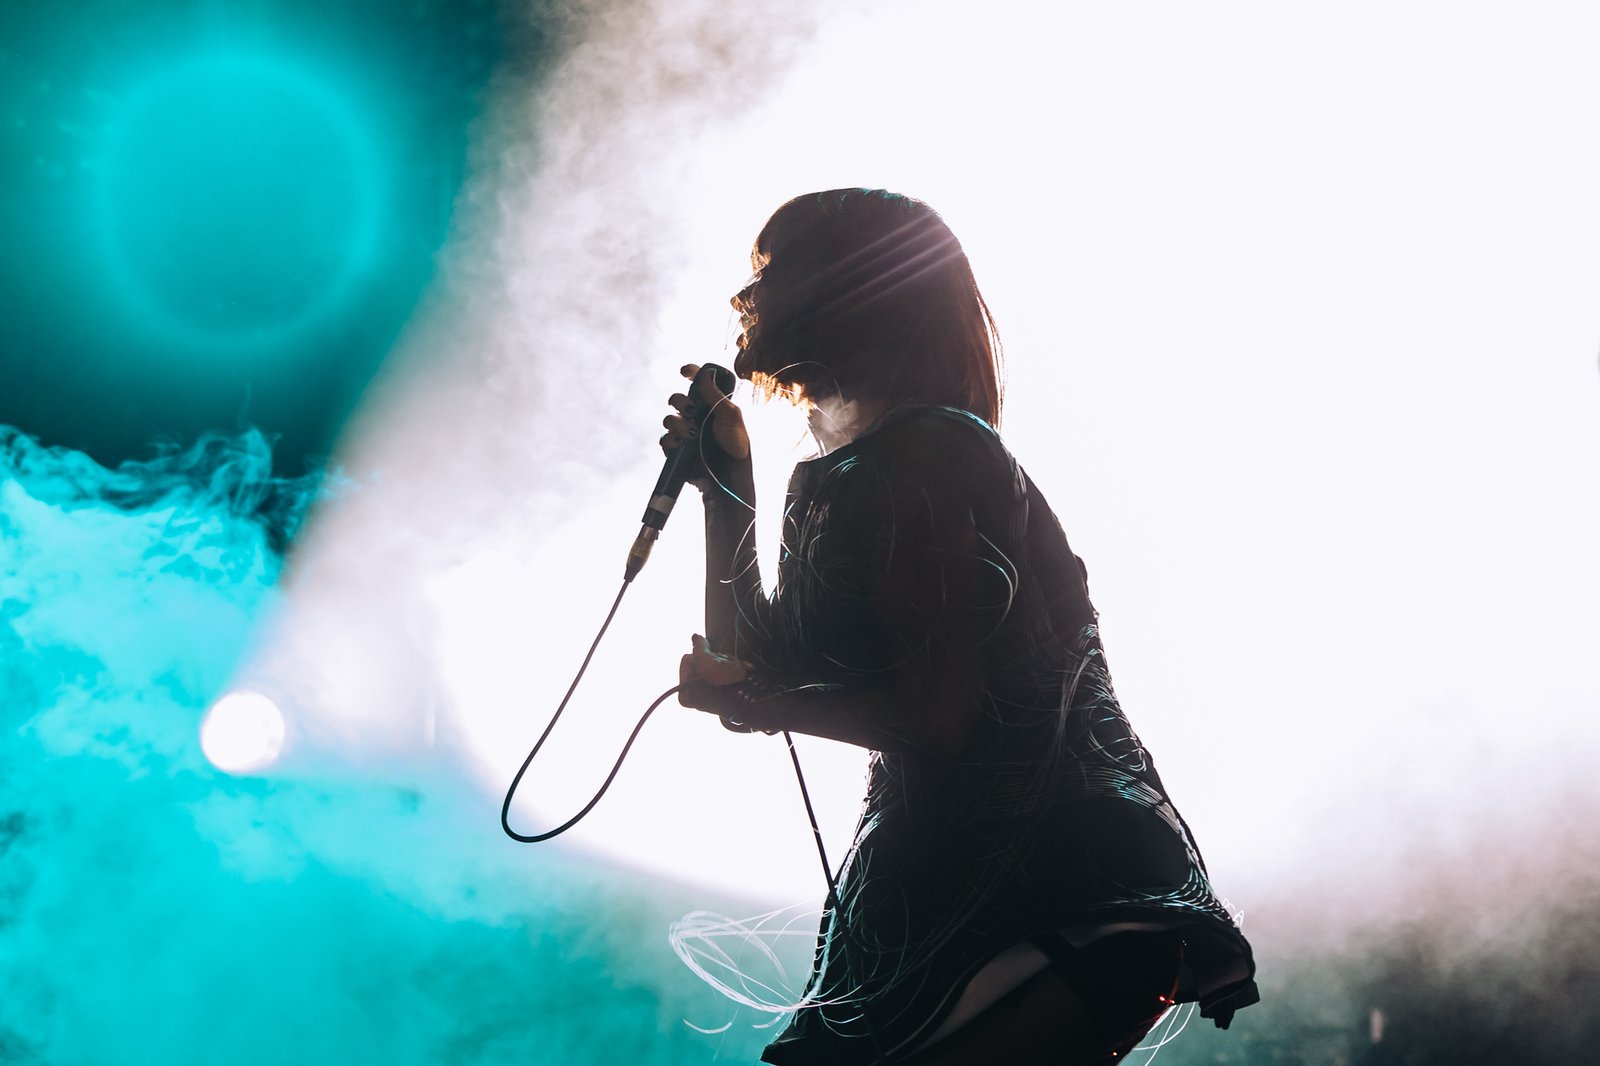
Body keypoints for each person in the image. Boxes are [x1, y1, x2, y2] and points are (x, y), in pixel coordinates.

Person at [665, 189, 1257, 1065]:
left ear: (846, 292)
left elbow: (941, 719)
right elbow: (753, 663)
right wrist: (726, 488)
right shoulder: (844, 469)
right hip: (967, 890)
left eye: (772, 271)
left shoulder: (927, 454)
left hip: (1053, 891)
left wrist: (756, 697)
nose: (745, 298)